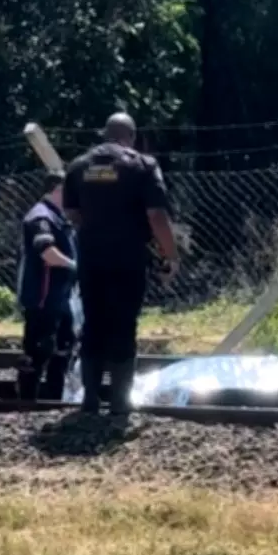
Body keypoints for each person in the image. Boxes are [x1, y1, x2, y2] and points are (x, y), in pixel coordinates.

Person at [63, 112, 178, 418]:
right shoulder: (142, 166)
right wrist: (171, 254)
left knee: (94, 324)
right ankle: (119, 400)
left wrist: (97, 228)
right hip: (128, 258)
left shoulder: (78, 167)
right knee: (123, 325)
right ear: (131, 136)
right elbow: (156, 216)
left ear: (105, 134)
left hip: (91, 258)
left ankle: (89, 399)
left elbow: (72, 213)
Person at [15, 170, 78, 401]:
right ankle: (27, 402)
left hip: (60, 298)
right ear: (58, 190)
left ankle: (54, 399)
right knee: (39, 350)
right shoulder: (40, 218)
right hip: (42, 298)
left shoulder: (60, 218)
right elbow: (48, 253)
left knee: (64, 348)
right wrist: (76, 267)